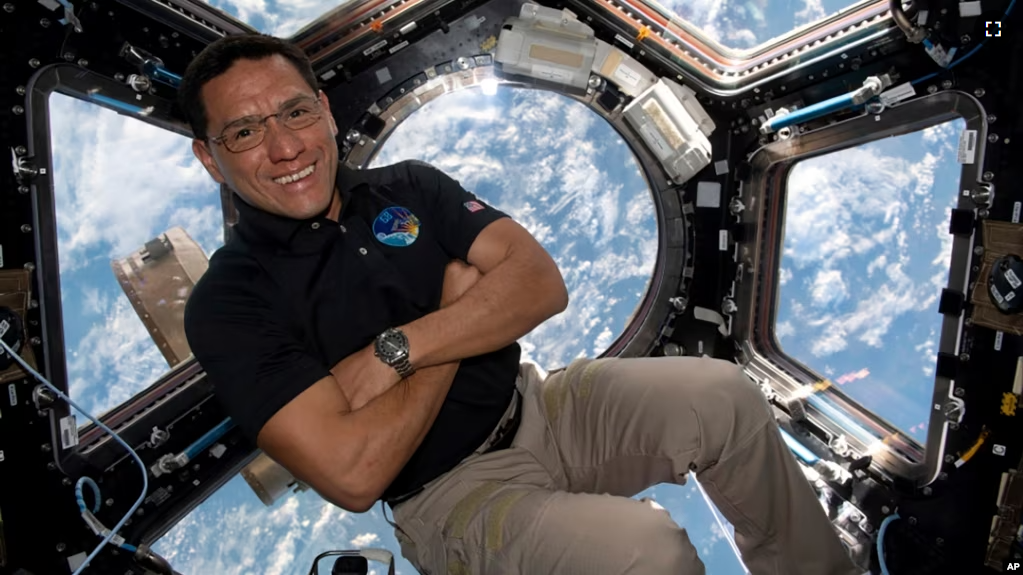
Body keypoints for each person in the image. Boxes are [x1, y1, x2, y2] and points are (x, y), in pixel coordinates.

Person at [180, 33, 861, 575]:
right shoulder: (229, 302)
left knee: (721, 395)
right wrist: (456, 318)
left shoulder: (408, 187)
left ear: (323, 110)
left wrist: (399, 350)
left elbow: (538, 283)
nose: (285, 146)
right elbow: (354, 471)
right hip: (449, 495)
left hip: (542, 404)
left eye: (295, 111)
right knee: (646, 553)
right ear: (211, 159)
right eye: (243, 131)